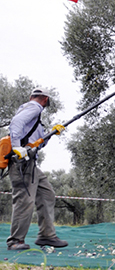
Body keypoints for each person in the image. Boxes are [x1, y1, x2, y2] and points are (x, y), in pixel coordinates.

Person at [6, 88, 68, 250]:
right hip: (22, 162)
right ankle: (15, 241)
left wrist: (51, 133)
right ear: (45, 99)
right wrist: (16, 147)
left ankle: (46, 236)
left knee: (47, 194)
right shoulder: (34, 107)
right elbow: (16, 123)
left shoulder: (35, 117)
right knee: (24, 200)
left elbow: (38, 143)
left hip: (31, 163)